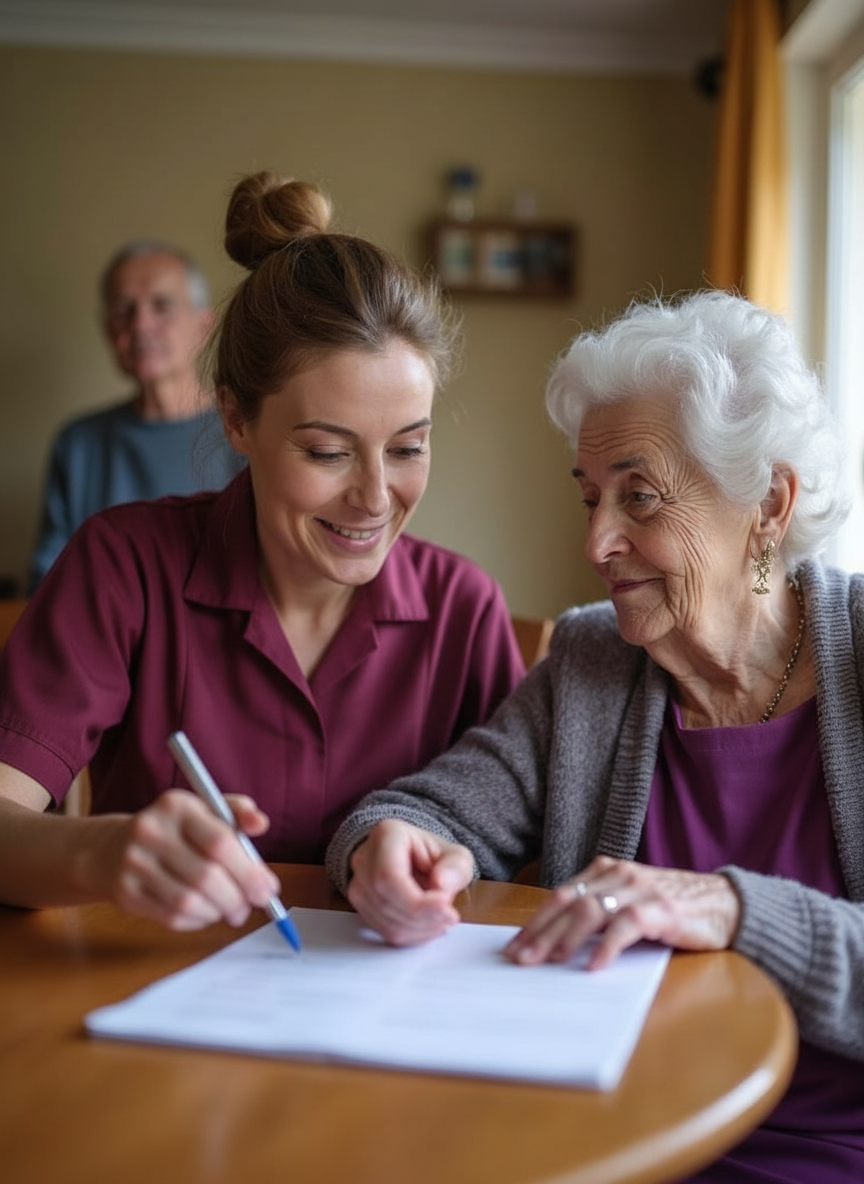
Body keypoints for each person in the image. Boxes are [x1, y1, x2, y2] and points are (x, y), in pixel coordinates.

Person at [327, 290, 864, 1183]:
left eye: (640, 498)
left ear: (768, 502)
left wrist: (732, 910)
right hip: (607, 1145)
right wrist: (391, 848)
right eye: (589, 498)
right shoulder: (591, 659)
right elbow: (424, 811)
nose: (598, 541)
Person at [0, 170, 524, 934]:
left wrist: (454, 857)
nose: (377, 498)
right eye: (327, 452)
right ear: (237, 421)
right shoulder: (122, 566)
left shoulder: (465, 610)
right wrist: (105, 852)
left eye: (408, 447)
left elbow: (524, 851)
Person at [27, 239, 244, 590]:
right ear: (107, 329)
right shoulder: (78, 443)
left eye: (162, 305)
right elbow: (47, 580)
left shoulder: (245, 431)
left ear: (204, 325)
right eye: (123, 309)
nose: (141, 323)